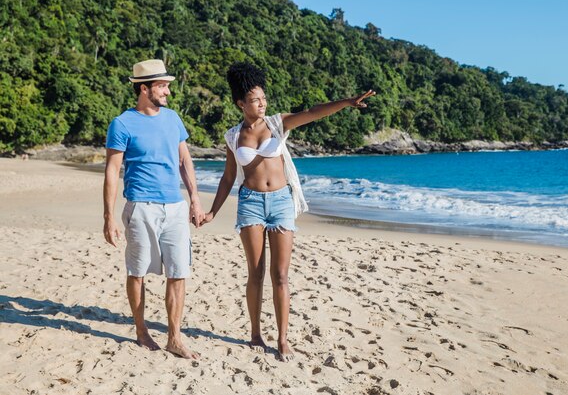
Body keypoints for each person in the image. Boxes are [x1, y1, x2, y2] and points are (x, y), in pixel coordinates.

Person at [202, 62, 375, 361]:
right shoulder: (233, 136)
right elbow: (229, 177)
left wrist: (347, 103)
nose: (262, 103)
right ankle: (255, 333)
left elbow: (313, 112)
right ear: (241, 103)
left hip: (281, 202)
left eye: (264, 98)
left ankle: (282, 339)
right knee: (255, 274)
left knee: (280, 275)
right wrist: (212, 212)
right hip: (251, 204)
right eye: (255, 100)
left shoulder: (277, 124)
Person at [103, 59, 205, 359]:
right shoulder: (122, 123)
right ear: (144, 88)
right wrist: (109, 217)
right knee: (137, 272)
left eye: (167, 86)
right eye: (162, 86)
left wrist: (195, 199)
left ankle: (175, 337)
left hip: (174, 206)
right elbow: (112, 171)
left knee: (179, 271)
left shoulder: (173, 118)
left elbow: (185, 160)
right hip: (140, 207)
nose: (168, 92)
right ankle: (141, 330)